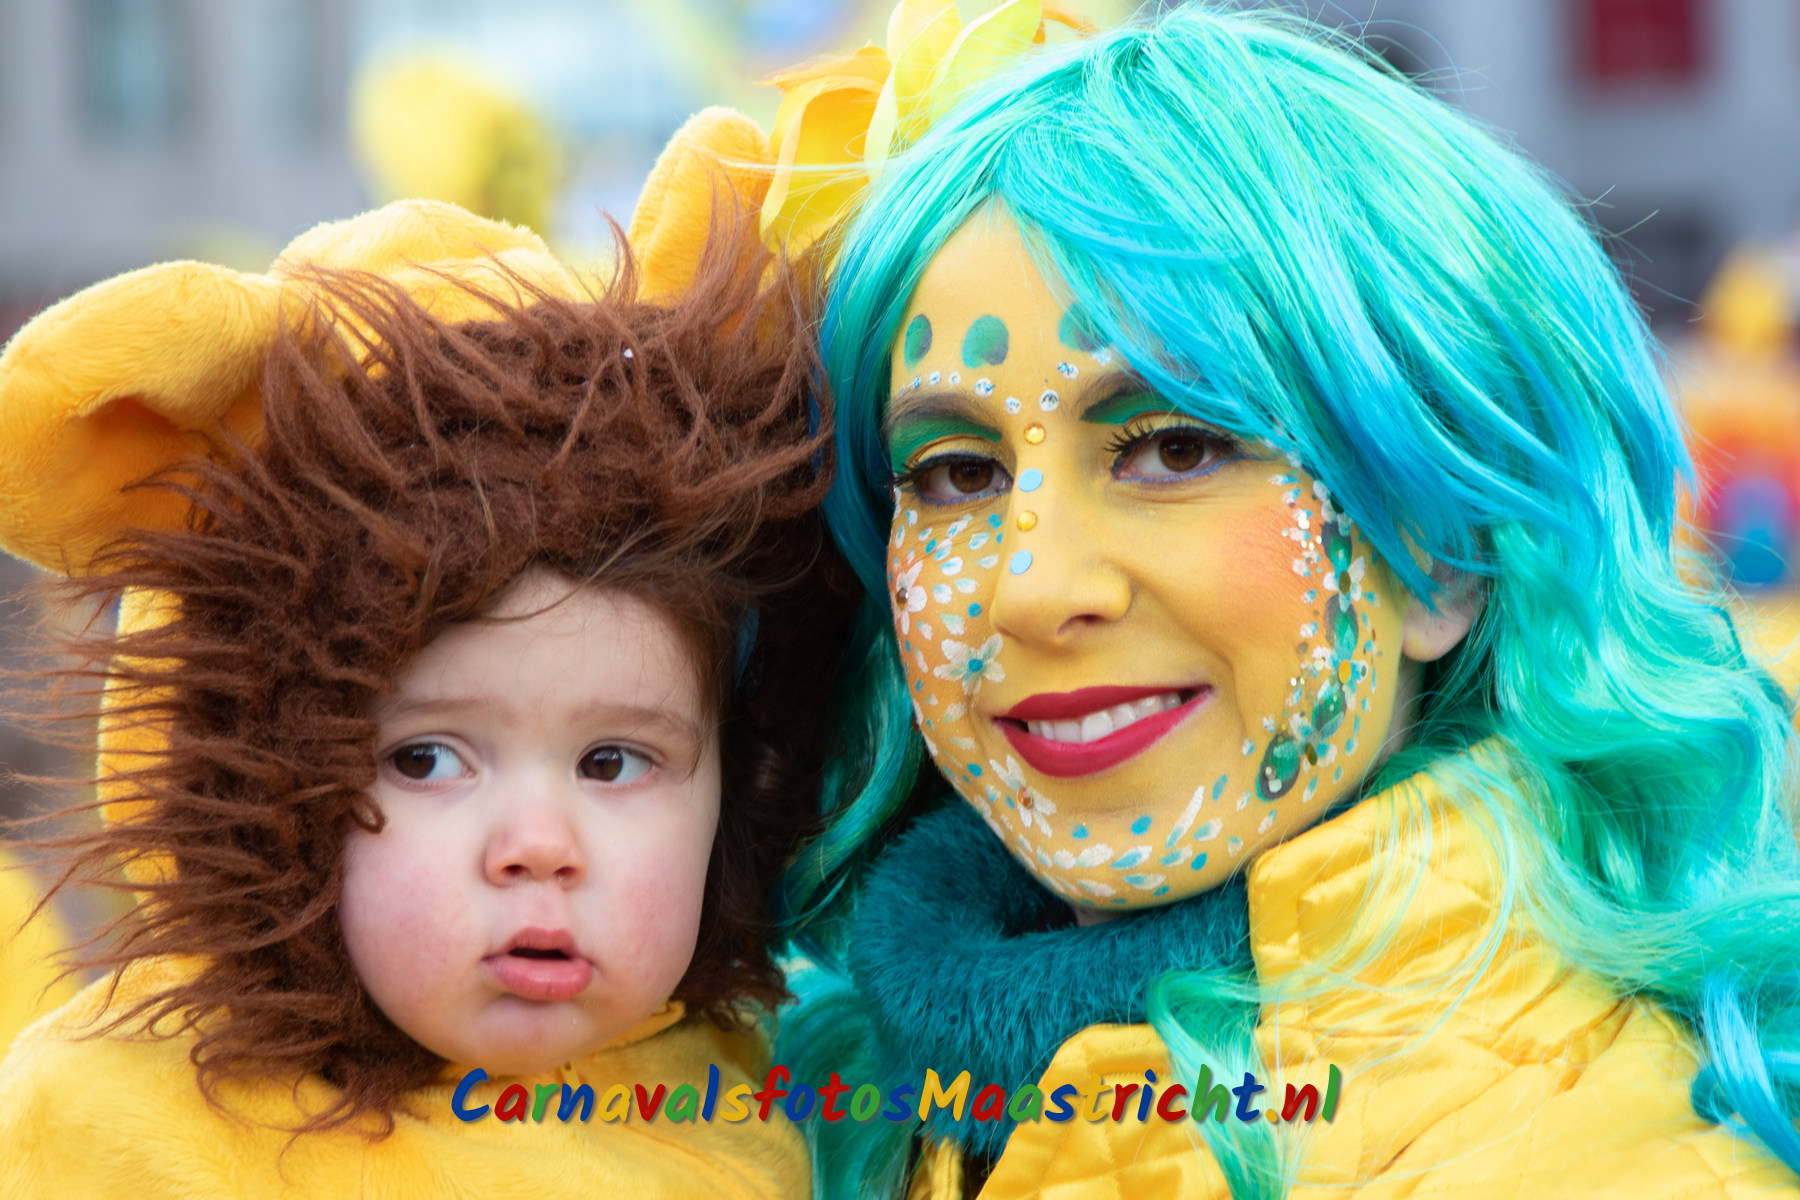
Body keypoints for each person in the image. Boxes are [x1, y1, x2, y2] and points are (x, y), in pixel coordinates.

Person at [760, 6, 1800, 1198]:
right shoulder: (779, 1121)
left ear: (1441, 550)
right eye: (956, 474)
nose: (1033, 588)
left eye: (1172, 449)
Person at [0, 201, 842, 1197]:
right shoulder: (121, 1133)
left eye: (612, 761)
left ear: (737, 795)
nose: (539, 846)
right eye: (426, 758)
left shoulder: (766, 1114)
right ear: (265, 801)